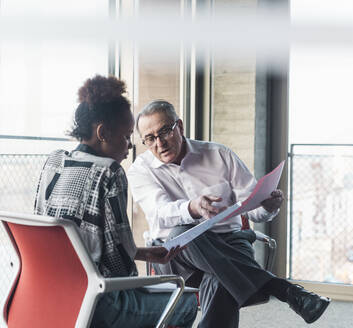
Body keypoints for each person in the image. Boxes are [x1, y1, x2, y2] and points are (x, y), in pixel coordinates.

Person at [127, 100, 331, 328]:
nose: (159, 143)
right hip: (175, 255)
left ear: (180, 127)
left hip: (231, 243)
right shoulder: (139, 170)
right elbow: (160, 212)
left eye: (164, 131)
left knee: (220, 280)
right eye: (150, 138)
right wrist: (193, 207)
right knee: (184, 232)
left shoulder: (218, 154)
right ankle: (284, 290)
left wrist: (267, 207)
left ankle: (277, 288)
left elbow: (253, 208)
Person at [34, 77, 197, 328]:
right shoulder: (109, 172)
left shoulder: (54, 162)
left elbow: (74, 246)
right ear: (103, 133)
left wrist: (141, 252)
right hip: (99, 303)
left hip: (52, 295)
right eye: (125, 136)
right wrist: (136, 269)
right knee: (185, 301)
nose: (130, 145)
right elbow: (120, 268)